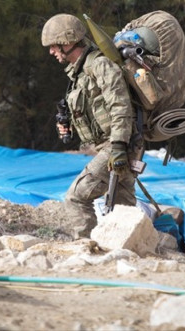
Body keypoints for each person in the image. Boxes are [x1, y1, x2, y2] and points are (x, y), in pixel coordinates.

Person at [41, 13, 138, 238]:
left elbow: (120, 105)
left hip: (116, 146)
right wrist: (70, 125)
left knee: (76, 197)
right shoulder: (81, 72)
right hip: (114, 145)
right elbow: (97, 110)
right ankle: (128, 252)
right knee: (124, 209)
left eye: (54, 46)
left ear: (68, 41)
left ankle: (86, 247)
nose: (51, 51)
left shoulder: (100, 65)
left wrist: (118, 146)